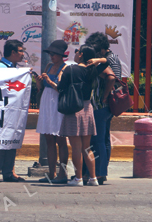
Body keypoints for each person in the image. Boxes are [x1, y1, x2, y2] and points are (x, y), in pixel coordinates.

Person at [57, 45, 109, 187]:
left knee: (76, 147)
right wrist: (98, 60)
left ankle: (78, 178)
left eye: (77, 52)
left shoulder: (70, 69)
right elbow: (108, 61)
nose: (75, 54)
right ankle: (93, 178)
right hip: (87, 108)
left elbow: (61, 87)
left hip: (74, 109)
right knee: (87, 148)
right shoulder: (92, 70)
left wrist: (60, 76)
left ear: (81, 55)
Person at [0, 39, 26, 183]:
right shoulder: (0, 67)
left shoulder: (16, 69)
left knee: (11, 140)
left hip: (13, 111)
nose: (23, 54)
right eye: (21, 51)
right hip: (0, 110)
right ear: (13, 52)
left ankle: (8, 172)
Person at [84, 32, 120, 185]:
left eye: (97, 51)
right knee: (104, 140)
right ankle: (102, 172)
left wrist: (105, 96)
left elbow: (111, 78)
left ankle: (98, 173)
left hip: (102, 105)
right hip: (108, 106)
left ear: (102, 50)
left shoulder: (110, 59)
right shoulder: (112, 58)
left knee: (97, 140)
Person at [35, 40, 69, 184]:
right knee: (49, 139)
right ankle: (51, 172)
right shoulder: (49, 66)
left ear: (61, 55)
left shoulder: (65, 68)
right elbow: (40, 88)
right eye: (50, 53)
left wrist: (49, 81)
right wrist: (38, 81)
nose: (52, 56)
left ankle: (63, 172)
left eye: (54, 54)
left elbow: (61, 88)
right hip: (46, 102)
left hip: (57, 103)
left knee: (61, 139)